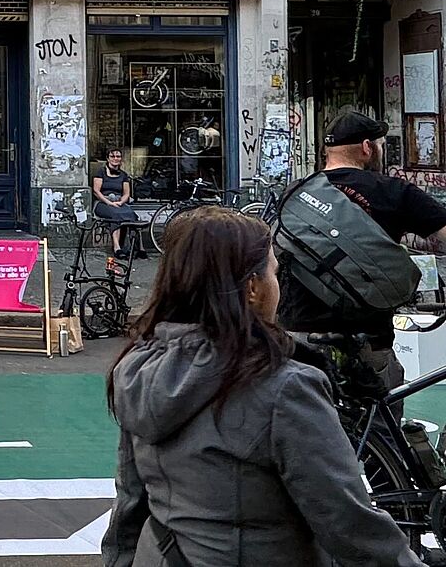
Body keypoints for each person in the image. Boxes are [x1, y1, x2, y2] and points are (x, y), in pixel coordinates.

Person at [102, 207, 426, 567]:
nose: (278, 284)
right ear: (253, 288)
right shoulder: (284, 387)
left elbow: (130, 504)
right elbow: (348, 522)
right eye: (274, 272)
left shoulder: (137, 370)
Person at [278, 110, 446, 400]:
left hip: (299, 339)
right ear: (367, 148)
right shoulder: (393, 191)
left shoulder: (296, 194)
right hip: (367, 342)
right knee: (381, 431)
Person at [92, 148, 139, 254]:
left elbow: (126, 193)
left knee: (131, 214)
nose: (115, 159)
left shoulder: (123, 175)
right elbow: (96, 191)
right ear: (108, 159)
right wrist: (109, 202)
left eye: (118, 156)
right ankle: (117, 247)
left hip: (119, 202)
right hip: (103, 202)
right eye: (112, 156)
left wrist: (121, 202)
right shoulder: (101, 173)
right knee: (115, 216)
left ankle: (133, 247)